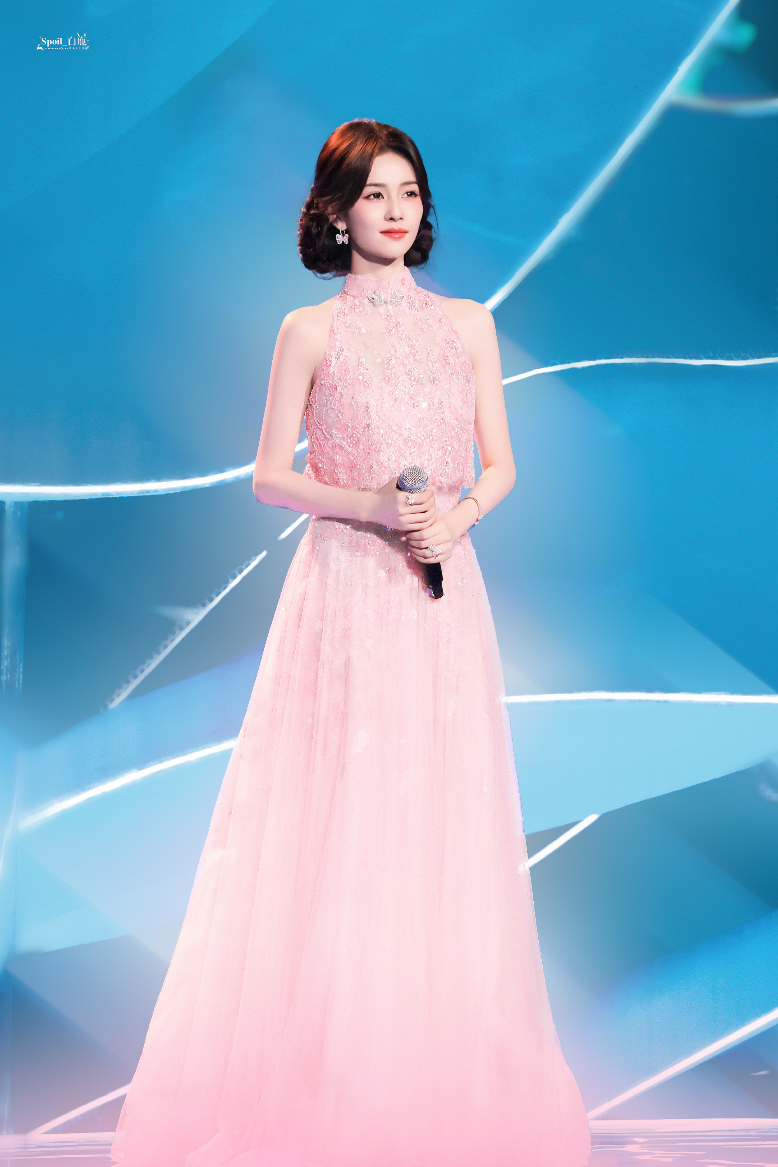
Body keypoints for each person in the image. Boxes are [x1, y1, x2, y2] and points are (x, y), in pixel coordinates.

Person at [111, 119, 591, 1167]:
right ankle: (327, 1091)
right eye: (374, 193)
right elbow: (268, 476)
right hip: (342, 588)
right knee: (340, 817)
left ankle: (437, 1091)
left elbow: (500, 464)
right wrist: (373, 506)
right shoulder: (306, 330)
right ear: (334, 212)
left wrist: (456, 519)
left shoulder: (468, 325)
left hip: (443, 591)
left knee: (442, 819)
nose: (395, 210)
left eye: (408, 192)